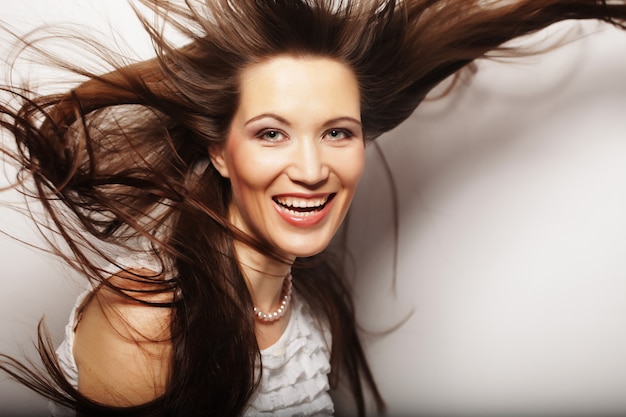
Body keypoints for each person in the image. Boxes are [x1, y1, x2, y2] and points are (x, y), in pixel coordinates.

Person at [2, 0, 626, 416]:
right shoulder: (150, 318)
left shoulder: (308, 317)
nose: (310, 169)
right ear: (220, 152)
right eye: (272, 133)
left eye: (337, 132)